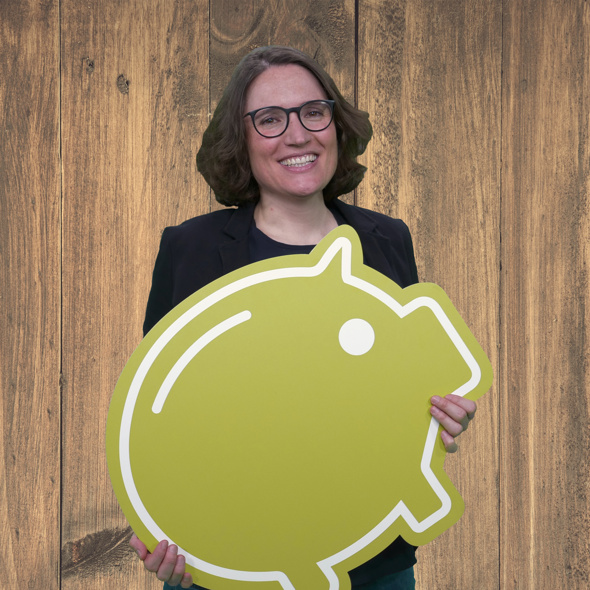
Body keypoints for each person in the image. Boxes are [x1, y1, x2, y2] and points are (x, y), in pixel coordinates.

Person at [129, 46, 477, 590]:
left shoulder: (387, 239)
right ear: (241, 140)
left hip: (369, 555)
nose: (297, 135)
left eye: (313, 112)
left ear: (335, 126)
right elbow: (157, 410)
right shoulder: (189, 249)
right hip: (236, 559)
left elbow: (404, 386)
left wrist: (441, 417)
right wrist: (165, 525)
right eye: (270, 119)